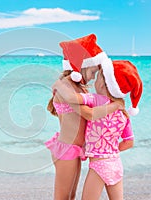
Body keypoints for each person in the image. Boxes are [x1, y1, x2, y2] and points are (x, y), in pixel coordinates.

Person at [53, 60, 143, 200]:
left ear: (104, 83)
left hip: (98, 166)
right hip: (115, 163)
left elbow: (74, 99)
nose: (94, 78)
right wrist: (109, 152)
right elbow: (129, 142)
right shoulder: (124, 113)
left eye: (98, 75)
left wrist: (58, 84)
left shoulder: (95, 100)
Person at [46, 69, 123, 200]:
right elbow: (90, 114)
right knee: (63, 197)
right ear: (82, 68)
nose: (93, 78)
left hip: (76, 149)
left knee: (71, 196)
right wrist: (116, 105)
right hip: (67, 148)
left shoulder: (81, 90)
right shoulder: (64, 89)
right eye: (92, 72)